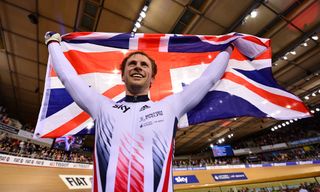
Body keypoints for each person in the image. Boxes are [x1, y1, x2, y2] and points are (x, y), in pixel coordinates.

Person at [44, 32, 233, 192]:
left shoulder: (170, 106)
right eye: (132, 64)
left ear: (152, 78)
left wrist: (228, 48)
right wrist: (53, 44)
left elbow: (208, 79)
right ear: (123, 76)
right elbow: (69, 79)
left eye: (144, 65)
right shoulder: (102, 106)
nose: (137, 67)